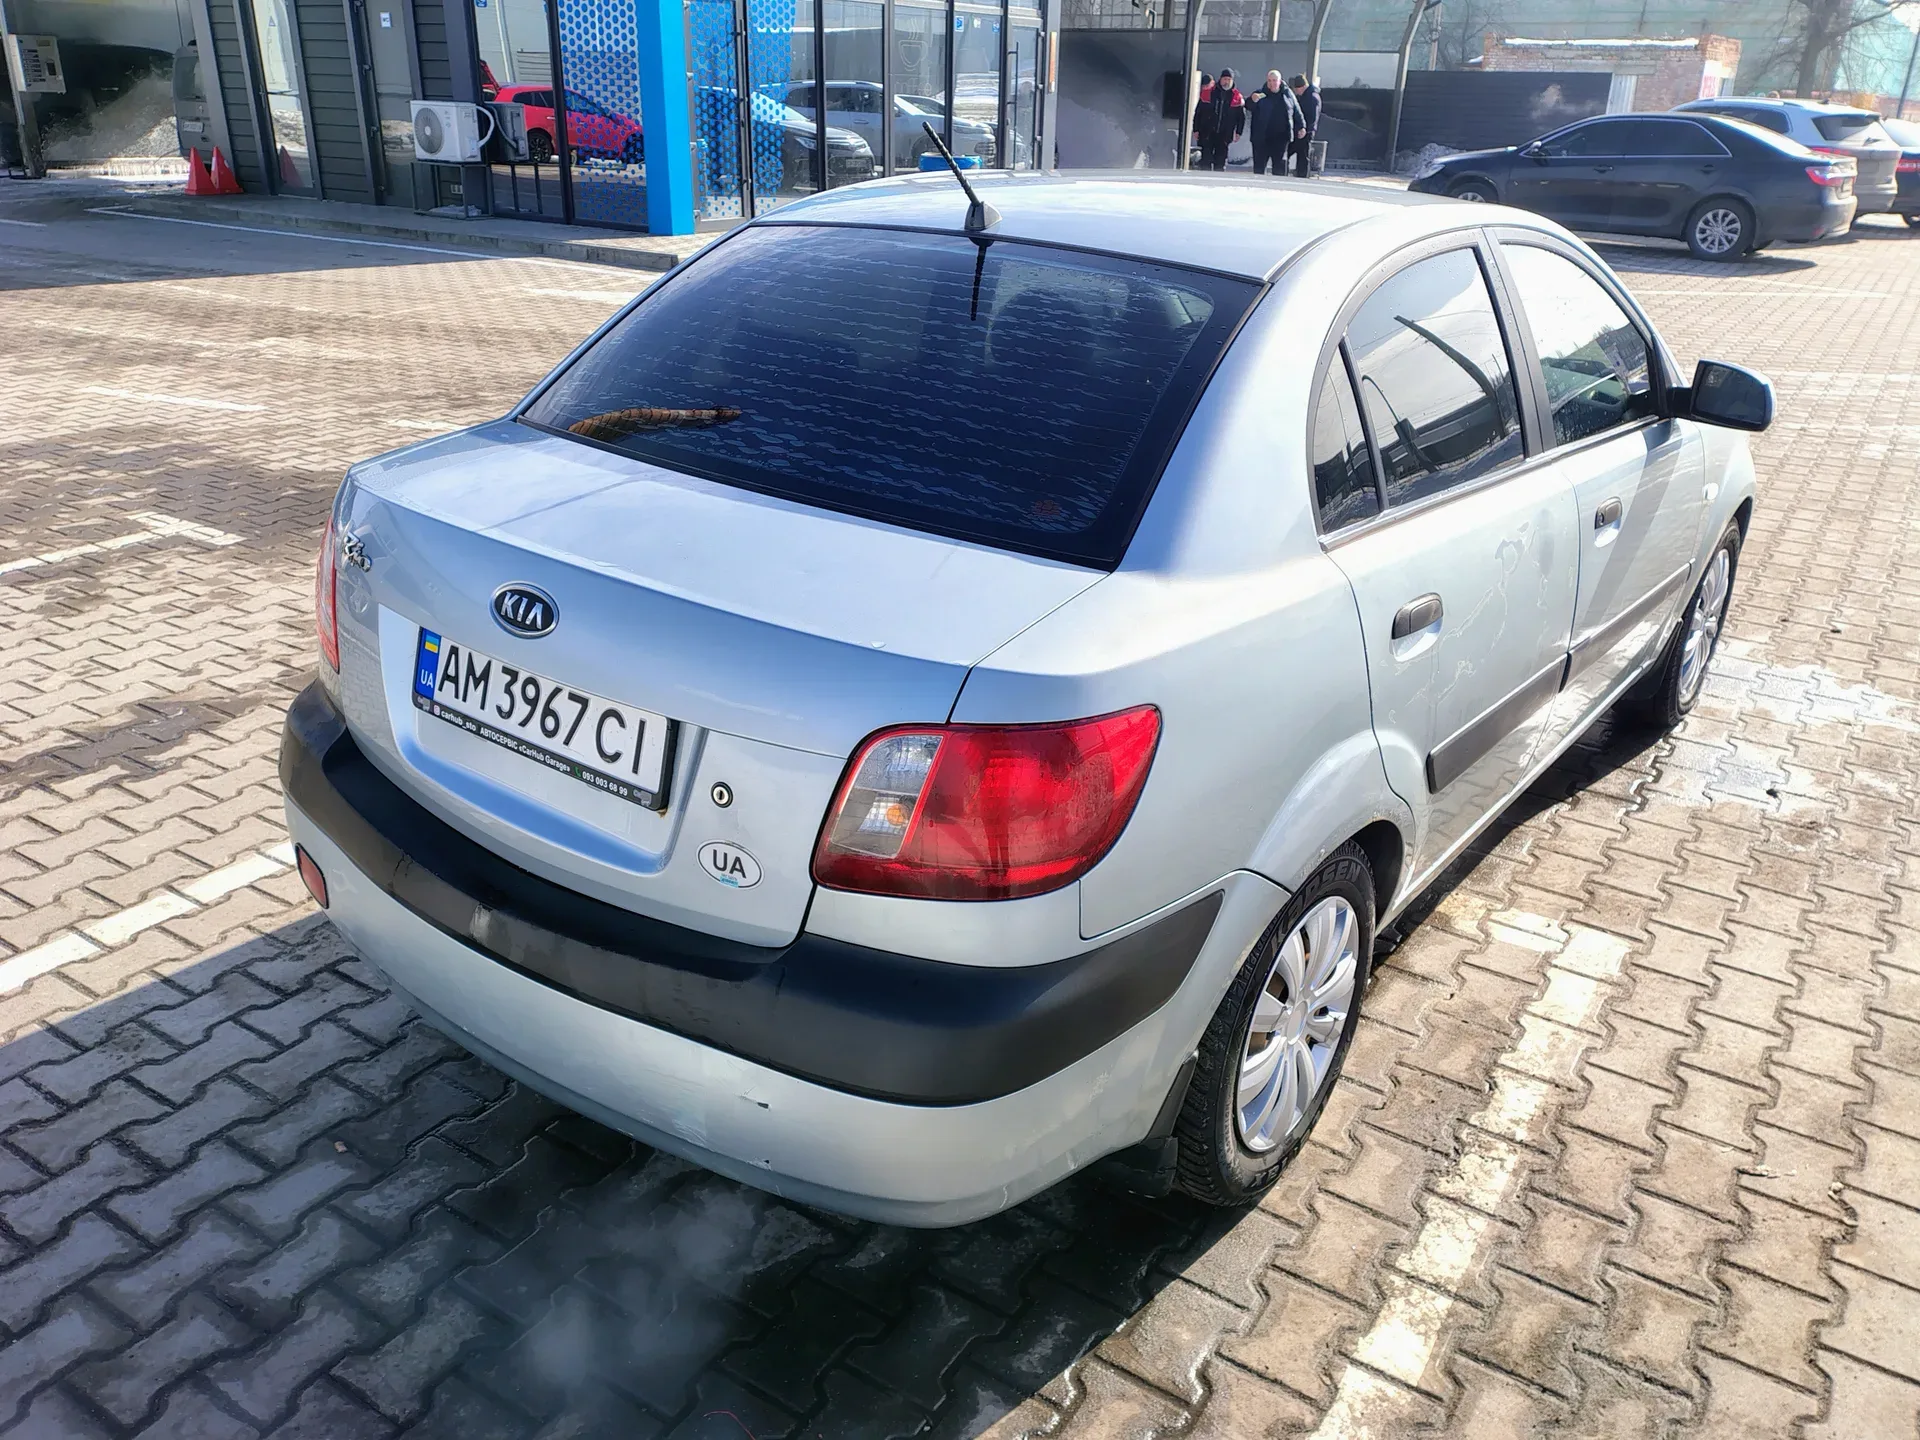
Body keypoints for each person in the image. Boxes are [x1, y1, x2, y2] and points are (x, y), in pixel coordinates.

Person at [1247, 69, 1304, 176]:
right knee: (1259, 169)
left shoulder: (1287, 94)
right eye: (1269, 81)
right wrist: (1252, 100)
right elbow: (1248, 106)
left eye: (1274, 80)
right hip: (1262, 138)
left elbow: (1297, 111)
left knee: (1279, 169)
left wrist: (1301, 126)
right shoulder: (1260, 93)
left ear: (1280, 81)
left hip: (1281, 138)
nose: (1272, 83)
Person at [1192, 68, 1244, 172]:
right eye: (1225, 79)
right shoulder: (1207, 93)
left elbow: (1241, 117)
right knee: (1205, 161)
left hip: (1225, 134)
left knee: (1220, 163)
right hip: (1207, 132)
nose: (1226, 81)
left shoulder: (1237, 97)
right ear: (1220, 79)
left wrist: (1238, 132)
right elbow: (1198, 112)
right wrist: (1196, 129)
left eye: (1229, 79)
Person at [1289, 73, 1321, 178]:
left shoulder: (1312, 98)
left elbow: (1312, 118)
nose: (1296, 92)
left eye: (1296, 89)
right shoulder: (1308, 96)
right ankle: (1300, 174)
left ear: (1301, 87)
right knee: (1300, 155)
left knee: (1302, 156)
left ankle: (1302, 176)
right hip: (1302, 131)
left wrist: (1304, 130)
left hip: (1305, 133)